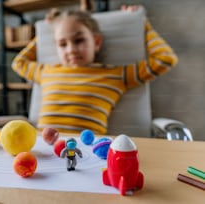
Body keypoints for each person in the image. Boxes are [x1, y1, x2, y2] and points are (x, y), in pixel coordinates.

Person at [11, 5, 178, 135]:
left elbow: (164, 59)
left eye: (79, 40)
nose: (71, 50)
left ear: (97, 42)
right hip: (45, 153)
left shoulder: (116, 75)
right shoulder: (46, 71)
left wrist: (143, 25)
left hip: (88, 155)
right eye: (62, 44)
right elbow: (18, 63)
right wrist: (45, 34)